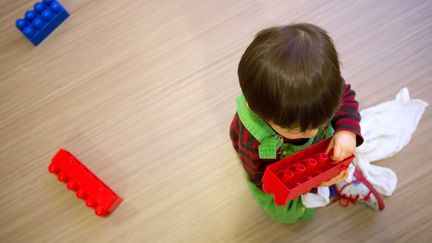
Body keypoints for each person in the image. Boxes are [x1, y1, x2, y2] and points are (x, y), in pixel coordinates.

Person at [229, 23, 384, 224]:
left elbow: (345, 96)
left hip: (319, 152)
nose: (312, 133)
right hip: (278, 172)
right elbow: (260, 180)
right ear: (257, 110)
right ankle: (326, 191)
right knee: (287, 214)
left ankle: (337, 184)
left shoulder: (321, 90)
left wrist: (346, 131)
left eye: (320, 122)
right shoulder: (255, 142)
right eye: (299, 130)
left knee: (340, 152)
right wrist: (313, 184)